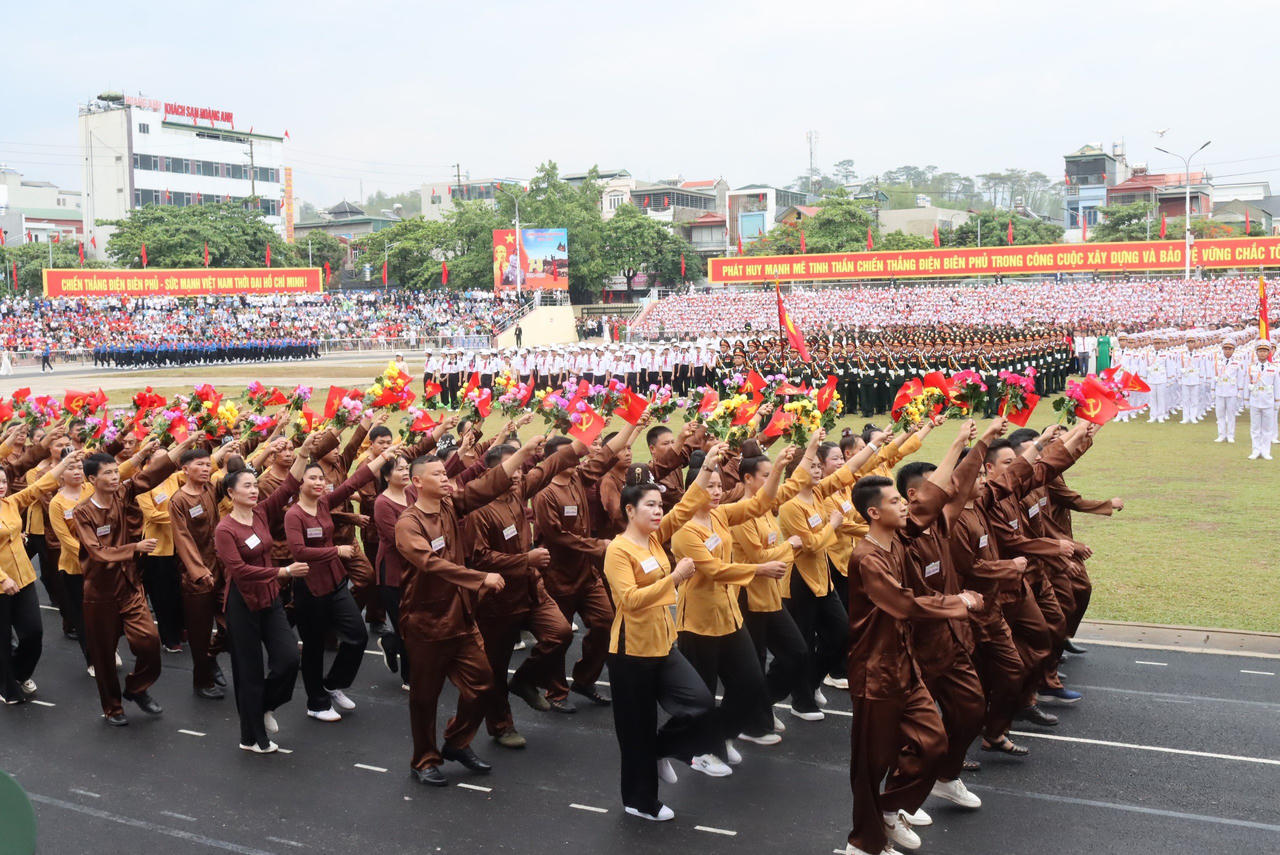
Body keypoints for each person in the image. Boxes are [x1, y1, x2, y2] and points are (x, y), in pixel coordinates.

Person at [843, 421, 983, 855]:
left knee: (933, 743)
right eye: (895, 501)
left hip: (904, 665)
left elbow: (934, 496)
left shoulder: (899, 540)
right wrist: (958, 602)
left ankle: (889, 810)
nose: (905, 505)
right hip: (876, 673)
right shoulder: (867, 559)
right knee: (872, 764)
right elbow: (904, 605)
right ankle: (864, 843)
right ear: (873, 513)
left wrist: (961, 443)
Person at [394, 435, 544, 787]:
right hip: (426, 623)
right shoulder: (408, 523)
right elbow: (430, 564)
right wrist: (479, 579)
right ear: (417, 482)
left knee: (483, 683)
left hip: (461, 616)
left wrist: (523, 452)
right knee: (424, 698)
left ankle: (458, 741)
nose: (445, 478)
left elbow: (485, 486)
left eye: (444, 473)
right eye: (437, 474)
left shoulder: (450, 505)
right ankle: (424, 760)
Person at [603, 453, 725, 822]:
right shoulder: (618, 550)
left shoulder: (655, 538)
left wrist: (707, 467)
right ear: (630, 510)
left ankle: (660, 749)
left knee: (700, 702)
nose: (658, 511)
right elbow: (629, 600)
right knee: (635, 729)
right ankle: (640, 802)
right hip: (631, 653)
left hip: (662, 645)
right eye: (650, 505)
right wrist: (674, 579)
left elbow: (685, 506)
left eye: (659, 505)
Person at [671, 442, 795, 768]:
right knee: (703, 693)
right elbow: (714, 570)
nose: (715, 492)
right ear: (692, 491)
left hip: (730, 616)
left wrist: (778, 468)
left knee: (750, 684)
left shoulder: (721, 515)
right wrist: (759, 569)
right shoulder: (684, 532)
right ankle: (701, 751)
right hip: (699, 622)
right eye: (708, 486)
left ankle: (720, 735)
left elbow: (760, 503)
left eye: (717, 486)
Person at [74, 439, 192, 725]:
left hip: (130, 586)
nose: (115, 477)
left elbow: (151, 475)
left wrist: (185, 444)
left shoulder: (123, 494)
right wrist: (135, 548)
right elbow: (97, 552)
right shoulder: (82, 512)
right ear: (92, 480)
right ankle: (113, 708)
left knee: (150, 642)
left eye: (116, 472)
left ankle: (137, 688)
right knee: (103, 656)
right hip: (100, 593)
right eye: (108, 473)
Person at [213, 436, 315, 753]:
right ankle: (252, 737)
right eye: (246, 486)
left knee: (288, 659)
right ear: (231, 493)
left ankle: (265, 705)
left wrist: (303, 452)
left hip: (269, 598)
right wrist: (283, 572)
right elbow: (240, 570)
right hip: (242, 603)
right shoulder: (225, 529)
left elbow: (289, 486)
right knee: (250, 672)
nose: (254, 490)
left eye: (255, 485)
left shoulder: (260, 513)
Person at [285, 446, 395, 722]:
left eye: (321, 479)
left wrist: (383, 457)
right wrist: (335, 551)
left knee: (357, 635)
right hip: (310, 587)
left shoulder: (324, 503)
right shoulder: (293, 515)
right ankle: (316, 703)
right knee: (313, 647)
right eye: (312, 478)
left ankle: (333, 684)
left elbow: (353, 483)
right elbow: (298, 551)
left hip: (335, 582)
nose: (319, 483)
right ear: (300, 483)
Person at [0, 449, 80, 704]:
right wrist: (2, 579)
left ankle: (19, 673)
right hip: (2, 584)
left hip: (23, 579)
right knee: (2, 641)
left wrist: (65, 463)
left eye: (3, 481)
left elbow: (39, 486)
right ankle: (7, 687)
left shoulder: (11, 503)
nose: (1, 486)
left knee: (33, 634)